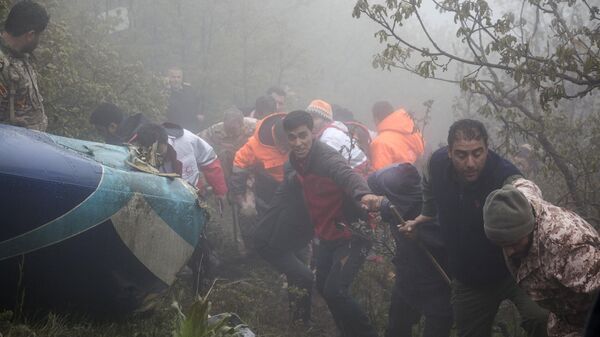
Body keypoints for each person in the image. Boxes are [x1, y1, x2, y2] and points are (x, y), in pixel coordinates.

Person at [400, 119, 548, 337]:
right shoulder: (437, 163)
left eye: (478, 154)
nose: (470, 163)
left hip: (516, 270)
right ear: (449, 152)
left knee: (543, 318)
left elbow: (527, 196)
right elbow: (428, 183)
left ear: (487, 149)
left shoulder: (503, 174)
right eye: (461, 155)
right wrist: (426, 214)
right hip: (469, 279)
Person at [283, 110, 382, 337]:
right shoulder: (297, 161)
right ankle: (346, 332)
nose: (298, 143)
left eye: (303, 135)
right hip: (328, 235)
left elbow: (346, 174)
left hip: (353, 234)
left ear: (313, 134)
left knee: (336, 290)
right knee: (324, 288)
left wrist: (362, 194)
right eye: (292, 137)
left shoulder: (325, 158)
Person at [483, 179, 600, 337]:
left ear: (529, 227)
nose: (509, 252)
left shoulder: (568, 250)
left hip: (588, 319)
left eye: (515, 243)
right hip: (563, 317)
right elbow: (524, 184)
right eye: (502, 244)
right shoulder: (521, 201)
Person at [368, 163, 453, 337]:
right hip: (407, 281)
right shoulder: (396, 202)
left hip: (438, 286)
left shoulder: (432, 208)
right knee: (396, 329)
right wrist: (377, 201)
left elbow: (446, 241)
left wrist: (419, 235)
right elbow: (375, 185)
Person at [132, 123, 227, 201]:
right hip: (157, 198)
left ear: (165, 141)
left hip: (193, 195)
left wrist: (220, 191)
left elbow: (210, 161)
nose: (156, 157)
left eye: (159, 152)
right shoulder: (135, 148)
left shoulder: (187, 140)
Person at [230, 112, 288, 222]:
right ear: (275, 136)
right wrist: (239, 195)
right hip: (267, 187)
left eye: (287, 146)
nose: (284, 150)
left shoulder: (300, 132)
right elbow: (239, 164)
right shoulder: (256, 144)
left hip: (293, 185)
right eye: (281, 145)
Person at [0, 1, 49, 131]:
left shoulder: (23, 55)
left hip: (32, 144)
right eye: (39, 35)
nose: (39, 40)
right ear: (30, 35)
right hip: (12, 147)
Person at [306, 99, 368, 172]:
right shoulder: (332, 130)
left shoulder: (329, 136)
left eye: (315, 118)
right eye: (309, 118)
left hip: (359, 173)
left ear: (326, 120)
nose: (310, 122)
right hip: (355, 170)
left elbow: (326, 166)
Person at [198, 106, 257, 179]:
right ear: (224, 123)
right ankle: (226, 186)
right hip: (228, 163)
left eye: (238, 126)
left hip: (249, 159)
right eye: (230, 128)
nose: (234, 132)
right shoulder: (215, 130)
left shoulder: (254, 125)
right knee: (223, 153)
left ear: (242, 122)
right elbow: (196, 141)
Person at [370, 101, 425, 170]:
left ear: (376, 119)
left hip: (404, 180)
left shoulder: (380, 143)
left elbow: (381, 176)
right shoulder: (411, 128)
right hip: (422, 176)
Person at [166, 67, 203, 133]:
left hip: (190, 126)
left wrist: (199, 114)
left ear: (182, 78)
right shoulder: (164, 92)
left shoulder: (189, 90)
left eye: (178, 77)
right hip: (172, 127)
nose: (176, 80)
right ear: (169, 78)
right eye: (173, 77)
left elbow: (198, 102)